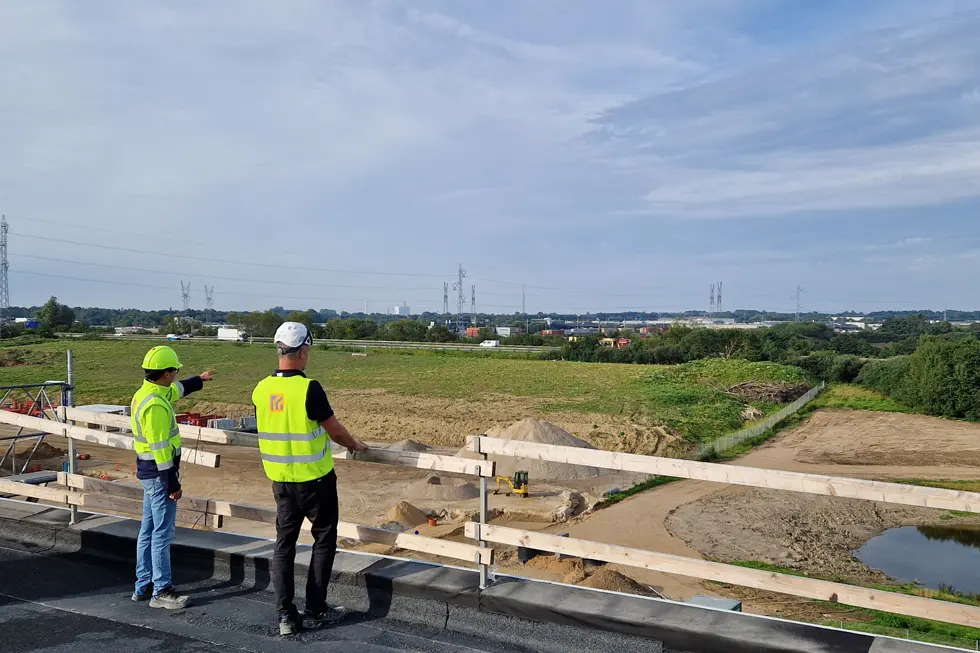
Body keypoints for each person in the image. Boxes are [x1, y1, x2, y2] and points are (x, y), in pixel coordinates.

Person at [252, 322, 368, 636]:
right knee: (323, 541)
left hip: (280, 481)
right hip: (315, 481)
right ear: (303, 351)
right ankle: (316, 610)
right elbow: (335, 431)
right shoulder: (309, 388)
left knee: (284, 546)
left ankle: (285, 617)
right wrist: (355, 445)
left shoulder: (261, 389)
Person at [130, 345, 214, 609]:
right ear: (166, 373)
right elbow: (160, 450)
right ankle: (161, 591)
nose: (176, 374)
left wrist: (199, 380)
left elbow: (176, 390)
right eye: (175, 370)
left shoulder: (147, 393)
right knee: (162, 534)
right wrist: (172, 485)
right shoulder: (155, 405)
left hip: (150, 474)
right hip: (159, 475)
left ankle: (143, 585)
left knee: (148, 529)